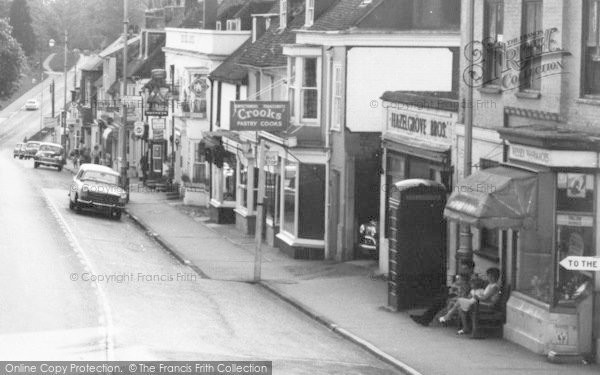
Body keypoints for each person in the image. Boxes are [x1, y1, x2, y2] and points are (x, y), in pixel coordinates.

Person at [410, 259, 476, 326]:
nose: (463, 270)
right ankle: (425, 318)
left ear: (471, 268)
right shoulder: (464, 276)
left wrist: (457, 289)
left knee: (441, 300)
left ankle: (425, 319)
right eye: (462, 268)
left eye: (465, 268)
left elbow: (469, 290)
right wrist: (454, 287)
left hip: (463, 296)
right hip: (455, 292)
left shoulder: (473, 278)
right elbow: (455, 285)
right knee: (439, 295)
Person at [456, 267, 501, 335]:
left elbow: (486, 297)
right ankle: (466, 327)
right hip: (482, 303)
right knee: (461, 307)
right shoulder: (490, 285)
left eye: (492, 277)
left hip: (489, 305)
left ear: (496, 277)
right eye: (489, 276)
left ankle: (470, 328)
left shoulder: (495, 287)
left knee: (465, 305)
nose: (490, 278)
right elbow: (484, 295)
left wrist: (477, 297)